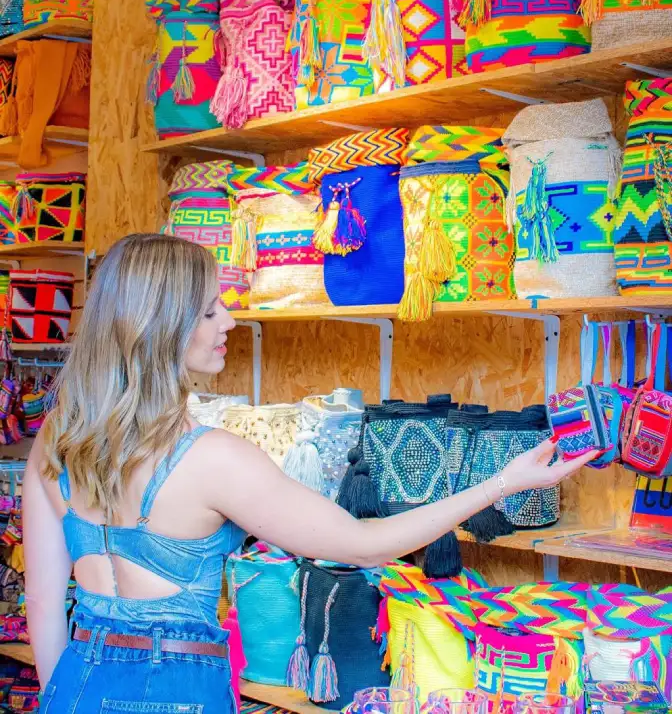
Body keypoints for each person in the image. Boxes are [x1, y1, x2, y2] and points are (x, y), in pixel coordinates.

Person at [24, 234, 595, 714]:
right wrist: (503, 483)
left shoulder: (58, 438)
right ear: (160, 325)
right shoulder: (213, 458)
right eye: (209, 310)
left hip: (76, 683)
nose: (229, 320)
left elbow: (45, 605)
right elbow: (367, 545)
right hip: (179, 693)